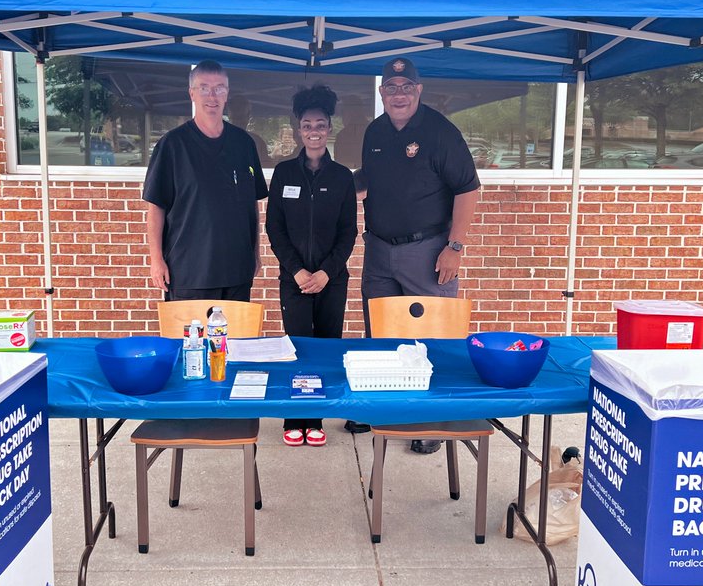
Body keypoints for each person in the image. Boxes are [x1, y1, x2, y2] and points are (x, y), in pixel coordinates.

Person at [359, 56, 481, 453]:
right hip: (379, 250)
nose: (399, 95)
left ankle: (430, 425)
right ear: (381, 94)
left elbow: (467, 189)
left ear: (419, 90)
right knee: (381, 333)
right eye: (391, 89)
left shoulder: (440, 132)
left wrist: (455, 247)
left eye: (406, 88)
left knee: (430, 338)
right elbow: (373, 181)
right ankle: (385, 410)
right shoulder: (374, 132)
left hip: (428, 251)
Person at [266, 84, 357, 448]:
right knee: (298, 348)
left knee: (325, 347)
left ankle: (315, 418)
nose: (314, 131)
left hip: (331, 281)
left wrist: (325, 273)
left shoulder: (342, 178)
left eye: (320, 125)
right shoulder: (285, 174)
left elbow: (348, 232)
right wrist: (298, 272)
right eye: (307, 125)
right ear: (298, 130)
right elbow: (275, 228)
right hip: (294, 280)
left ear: (329, 129)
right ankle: (295, 417)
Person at [143, 60, 268, 301]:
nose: (212, 95)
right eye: (204, 87)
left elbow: (251, 204)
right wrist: (156, 260)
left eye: (219, 87)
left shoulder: (244, 144)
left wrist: (255, 252)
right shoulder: (172, 145)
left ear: (227, 93)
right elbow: (156, 206)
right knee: (190, 340)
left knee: (235, 340)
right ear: (191, 93)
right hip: (189, 274)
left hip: (236, 272)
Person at [333, 93, 372, 170]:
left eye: (344, 111)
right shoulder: (342, 136)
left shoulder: (373, 132)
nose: (342, 116)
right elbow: (339, 163)